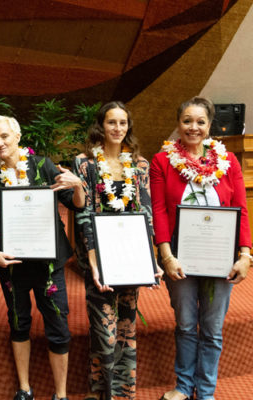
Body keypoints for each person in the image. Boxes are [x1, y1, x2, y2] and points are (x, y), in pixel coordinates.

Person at [150, 97, 251, 400]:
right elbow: (159, 211)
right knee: (185, 323)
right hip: (180, 256)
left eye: (200, 121)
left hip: (222, 257)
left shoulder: (229, 160)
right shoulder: (162, 161)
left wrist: (245, 255)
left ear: (209, 125)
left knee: (213, 328)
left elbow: (241, 209)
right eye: (187, 121)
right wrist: (166, 256)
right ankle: (183, 385)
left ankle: (205, 391)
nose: (193, 127)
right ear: (178, 123)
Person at [0, 116, 85, 400]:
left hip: (48, 263)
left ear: (17, 135)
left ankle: (61, 394)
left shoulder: (43, 166)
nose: (0, 143)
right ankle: (24, 389)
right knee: (19, 323)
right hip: (12, 264)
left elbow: (74, 204)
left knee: (57, 324)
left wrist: (77, 185)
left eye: (5, 136)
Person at [73, 102, 163, 400]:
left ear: (129, 127)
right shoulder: (85, 164)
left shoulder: (139, 165)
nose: (117, 128)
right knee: (105, 332)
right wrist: (94, 262)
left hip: (131, 258)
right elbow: (83, 214)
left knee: (126, 327)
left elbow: (146, 213)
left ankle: (125, 394)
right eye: (111, 122)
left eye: (123, 123)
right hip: (99, 259)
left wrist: (152, 260)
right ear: (101, 125)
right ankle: (103, 394)